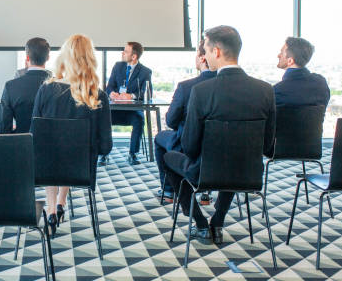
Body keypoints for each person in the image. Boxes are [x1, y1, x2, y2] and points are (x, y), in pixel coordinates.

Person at [163, 25, 275, 245]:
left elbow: (191, 147)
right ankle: (218, 220)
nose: (203, 55)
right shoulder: (265, 90)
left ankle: (200, 223)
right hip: (249, 175)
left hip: (205, 174)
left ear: (216, 52)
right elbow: (267, 145)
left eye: (205, 49)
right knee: (233, 162)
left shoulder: (202, 91)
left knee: (169, 158)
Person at [31, 34, 113, 237]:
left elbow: (35, 136)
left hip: (46, 167)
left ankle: (51, 209)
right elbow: (106, 147)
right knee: (68, 153)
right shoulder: (97, 95)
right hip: (81, 169)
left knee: (51, 151)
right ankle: (60, 203)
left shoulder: (46, 89)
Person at [154, 39, 216, 202]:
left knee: (160, 138)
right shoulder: (228, 87)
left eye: (196, 54)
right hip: (220, 151)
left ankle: (168, 190)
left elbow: (171, 121)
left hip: (187, 146)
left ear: (203, 58)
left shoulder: (186, 87)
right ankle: (206, 192)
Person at [105, 42, 152, 166]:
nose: (122, 53)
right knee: (103, 118)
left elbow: (147, 92)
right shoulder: (117, 66)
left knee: (139, 120)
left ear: (134, 56)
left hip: (132, 111)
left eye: (125, 51)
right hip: (115, 110)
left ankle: (133, 154)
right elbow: (109, 86)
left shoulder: (145, 72)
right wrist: (111, 93)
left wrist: (131, 96)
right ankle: (104, 153)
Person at [0, 38, 51, 133]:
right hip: (51, 146)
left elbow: (3, 129)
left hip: (20, 144)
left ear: (27, 58)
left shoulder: (10, 86)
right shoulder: (59, 87)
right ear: (48, 58)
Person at [274, 37, 330, 107]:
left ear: (290, 61)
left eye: (281, 53)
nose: (278, 55)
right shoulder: (321, 83)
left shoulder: (278, 91)